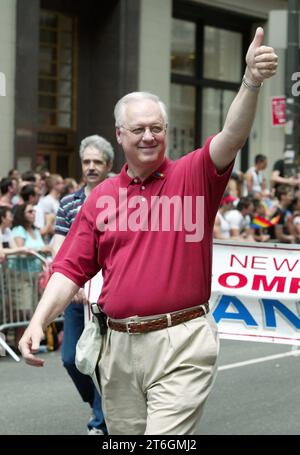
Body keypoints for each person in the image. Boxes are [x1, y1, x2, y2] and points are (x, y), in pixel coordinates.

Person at [19, 27, 278, 435]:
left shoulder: (194, 173)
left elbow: (232, 136)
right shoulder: (101, 197)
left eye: (156, 127)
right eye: (138, 129)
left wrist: (250, 82)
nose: (149, 136)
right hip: (117, 346)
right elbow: (69, 269)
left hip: (183, 341)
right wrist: (37, 322)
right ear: (119, 135)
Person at [51, 135, 114, 435]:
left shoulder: (124, 197)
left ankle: (100, 422)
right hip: (78, 297)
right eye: (86, 162)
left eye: (97, 162)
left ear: (108, 165)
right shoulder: (68, 202)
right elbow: (59, 246)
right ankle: (98, 404)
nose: (90, 167)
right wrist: (71, 283)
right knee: (71, 359)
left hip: (113, 299)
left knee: (105, 363)